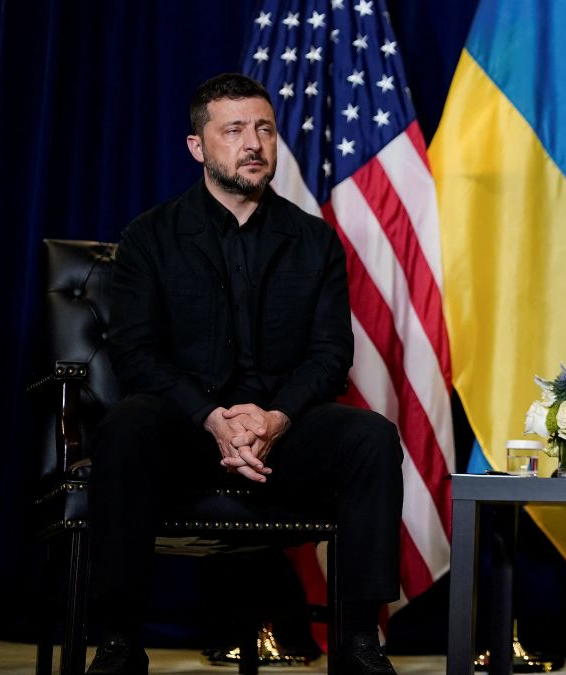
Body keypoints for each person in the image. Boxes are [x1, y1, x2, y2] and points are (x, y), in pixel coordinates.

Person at [85, 73, 404, 675]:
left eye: (263, 128)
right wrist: (211, 418)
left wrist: (275, 418)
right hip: (182, 429)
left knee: (372, 438)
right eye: (233, 130)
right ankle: (120, 639)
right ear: (198, 147)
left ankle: (360, 639)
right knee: (126, 426)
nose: (253, 143)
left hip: (281, 433)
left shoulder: (315, 241)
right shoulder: (149, 237)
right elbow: (136, 355)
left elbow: (331, 355)